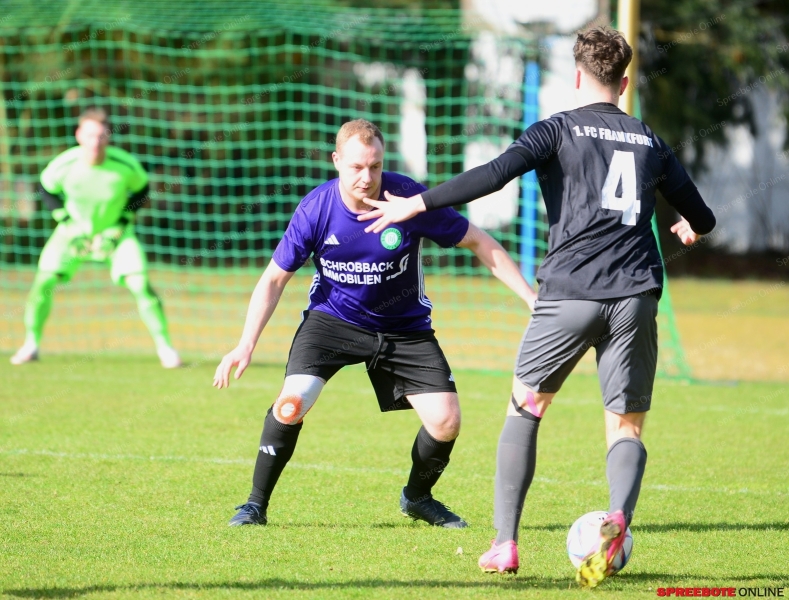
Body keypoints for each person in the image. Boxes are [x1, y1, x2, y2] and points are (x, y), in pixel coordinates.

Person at [358, 28, 716, 587]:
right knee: (625, 427)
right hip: (637, 296)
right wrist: (686, 226)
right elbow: (703, 216)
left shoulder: (557, 129)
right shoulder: (649, 139)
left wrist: (417, 204)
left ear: (577, 77)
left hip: (571, 292)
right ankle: (617, 516)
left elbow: (493, 175)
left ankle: (505, 545)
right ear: (624, 84)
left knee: (525, 408)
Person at [213, 119, 537, 528]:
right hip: (333, 321)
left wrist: (530, 297)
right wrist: (245, 344)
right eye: (356, 167)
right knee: (291, 403)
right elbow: (274, 279)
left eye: (375, 166)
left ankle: (417, 497)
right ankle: (254, 506)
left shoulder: (408, 198)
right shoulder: (317, 208)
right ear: (336, 162)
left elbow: (478, 241)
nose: (367, 178)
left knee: (446, 421)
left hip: (404, 327)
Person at [10, 108, 181, 368]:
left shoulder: (125, 165)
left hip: (117, 234)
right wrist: (66, 221)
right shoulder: (64, 163)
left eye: (101, 136)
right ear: (79, 135)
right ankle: (30, 345)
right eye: (90, 135)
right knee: (42, 282)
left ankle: (166, 349)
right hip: (71, 233)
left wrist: (121, 224)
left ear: (108, 137)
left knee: (140, 285)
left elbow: (142, 191)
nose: (95, 142)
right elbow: (45, 188)